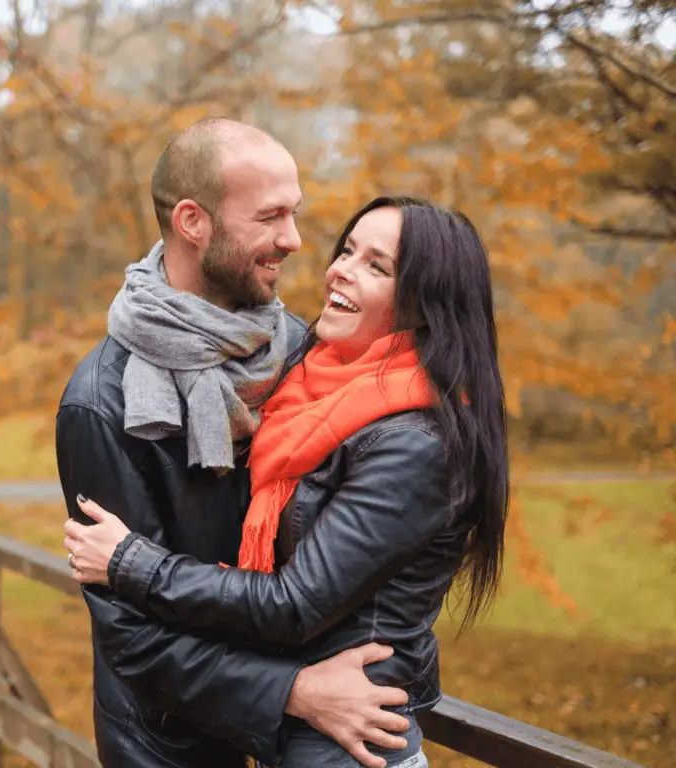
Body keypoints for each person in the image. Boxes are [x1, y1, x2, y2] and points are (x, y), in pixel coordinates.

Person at [64, 196, 511, 768]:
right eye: (348, 249)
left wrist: (130, 560)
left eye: (377, 266)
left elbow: (293, 603)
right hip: (300, 739)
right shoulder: (309, 380)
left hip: (348, 747)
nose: (341, 269)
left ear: (427, 303)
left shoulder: (415, 442)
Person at [56, 122, 414, 768]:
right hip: (173, 749)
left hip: (303, 736)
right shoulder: (102, 403)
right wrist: (293, 692)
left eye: (295, 214)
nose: (296, 241)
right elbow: (131, 637)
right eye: (271, 216)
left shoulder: (300, 349)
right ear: (194, 222)